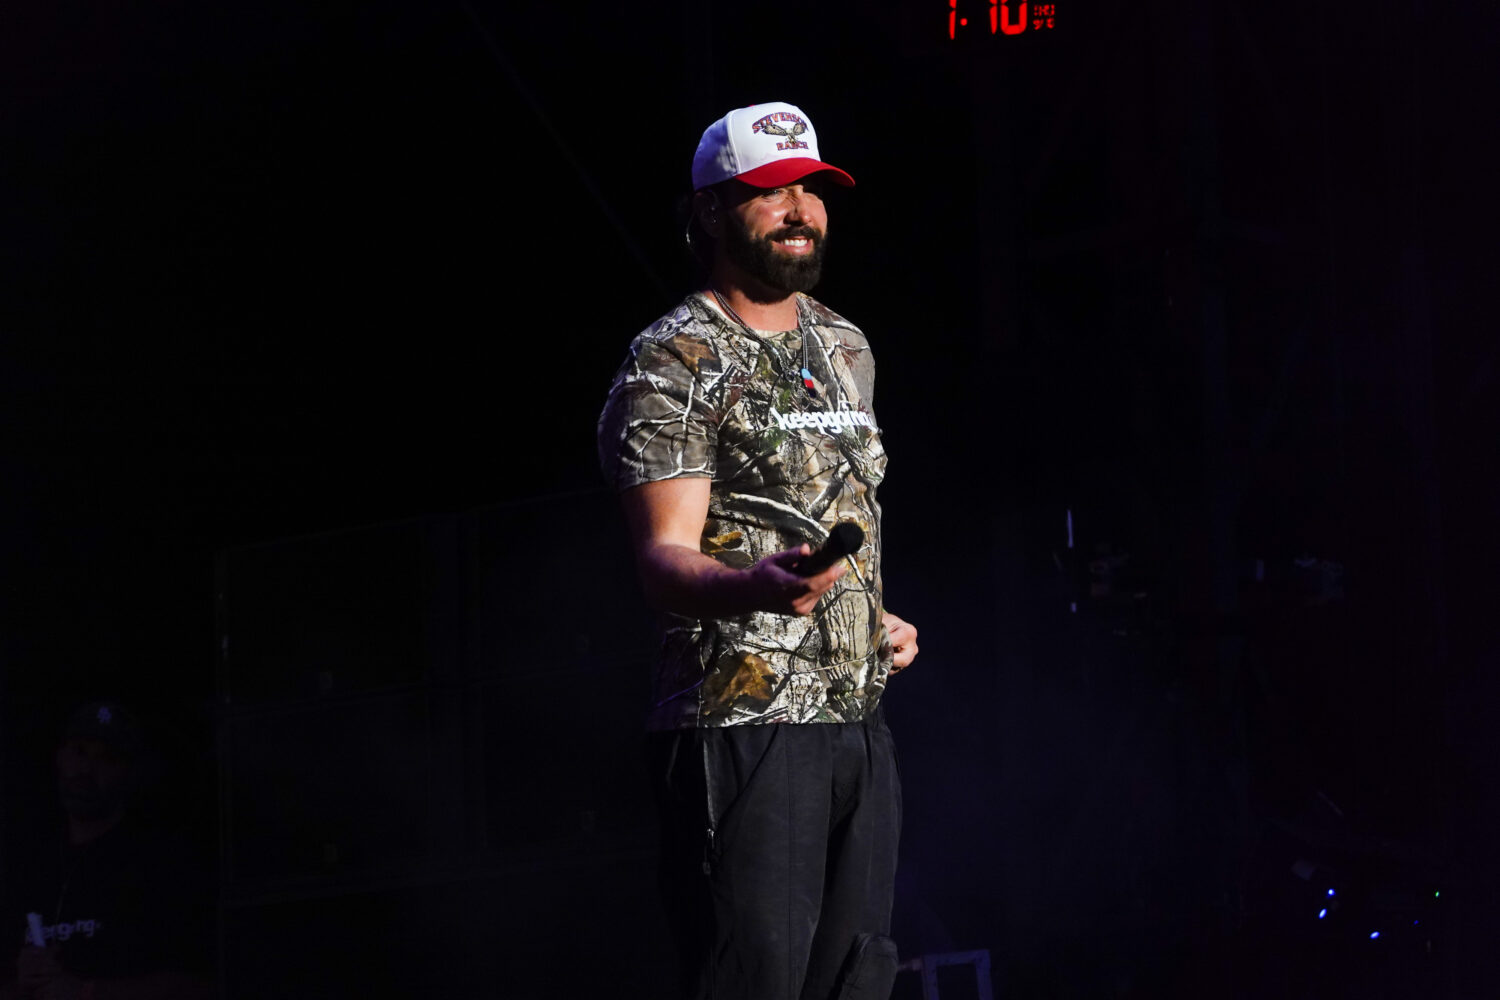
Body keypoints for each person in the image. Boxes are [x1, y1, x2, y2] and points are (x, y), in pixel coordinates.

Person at [597, 101, 918, 1000]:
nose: (799, 210)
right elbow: (663, 560)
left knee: (858, 981)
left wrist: (873, 615)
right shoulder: (674, 360)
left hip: (856, 720)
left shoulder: (844, 344)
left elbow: (833, 508)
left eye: (811, 188)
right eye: (771, 191)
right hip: (742, 725)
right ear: (710, 211)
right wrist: (755, 589)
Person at [0, 703, 213, 1000]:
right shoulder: (27, 868)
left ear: (130, 773)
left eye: (107, 758)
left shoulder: (160, 865)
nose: (87, 769)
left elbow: (198, 984)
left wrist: (84, 993)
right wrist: (22, 987)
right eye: (80, 752)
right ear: (60, 757)